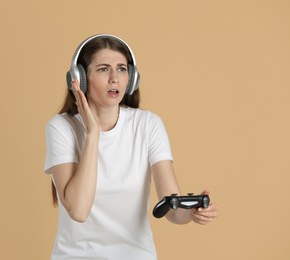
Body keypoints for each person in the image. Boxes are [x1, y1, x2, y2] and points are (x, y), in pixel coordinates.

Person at [44, 34, 218, 260]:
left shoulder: (148, 125)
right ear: (80, 79)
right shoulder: (61, 127)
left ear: (132, 78)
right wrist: (92, 134)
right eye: (104, 69)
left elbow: (172, 209)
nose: (115, 78)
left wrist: (192, 214)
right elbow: (78, 210)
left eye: (122, 69)